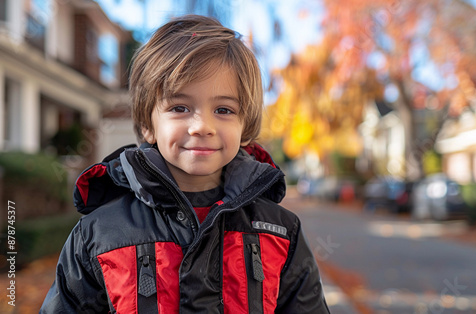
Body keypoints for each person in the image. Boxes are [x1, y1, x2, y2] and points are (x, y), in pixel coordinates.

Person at [41, 14, 330, 313]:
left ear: (245, 126)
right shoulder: (98, 235)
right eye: (180, 107)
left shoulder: (281, 232)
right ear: (148, 124)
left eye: (223, 109)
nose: (202, 126)